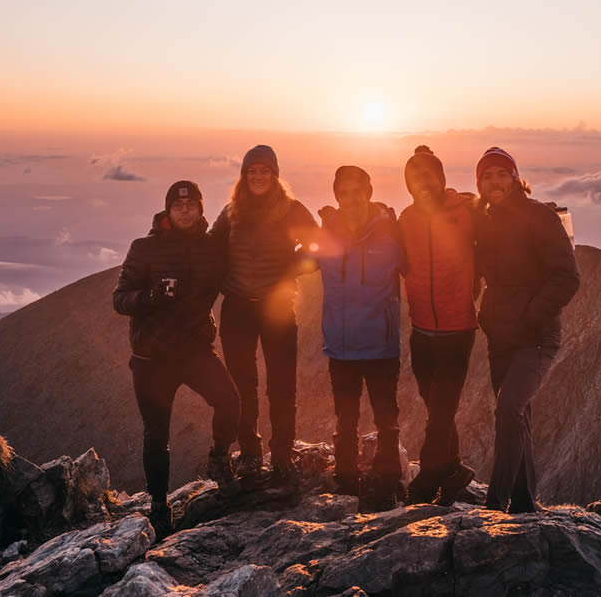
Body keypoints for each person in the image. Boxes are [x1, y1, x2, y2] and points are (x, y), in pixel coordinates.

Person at [112, 180, 241, 538]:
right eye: (178, 206)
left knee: (230, 401)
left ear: (201, 209)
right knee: (157, 434)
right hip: (152, 357)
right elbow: (120, 298)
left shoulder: (212, 247)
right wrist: (151, 296)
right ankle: (158, 505)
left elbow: (244, 253)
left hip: (194, 351)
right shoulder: (144, 248)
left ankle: (218, 459)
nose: (185, 211)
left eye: (192, 206)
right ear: (168, 210)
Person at [474, 147, 580, 513]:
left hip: (536, 337)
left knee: (509, 408)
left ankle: (494, 502)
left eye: (503, 174)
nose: (495, 182)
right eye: (487, 176)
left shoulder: (539, 217)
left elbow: (567, 277)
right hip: (500, 336)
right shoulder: (484, 220)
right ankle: (523, 505)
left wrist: (531, 317)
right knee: (516, 416)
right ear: (479, 183)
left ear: (517, 177)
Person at [211, 145, 319, 484]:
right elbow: (210, 249)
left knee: (282, 384)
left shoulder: (291, 210)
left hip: (278, 307)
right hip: (238, 309)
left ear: (275, 175)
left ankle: (283, 453)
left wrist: (293, 268)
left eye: (265, 171)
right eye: (252, 171)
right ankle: (251, 451)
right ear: (244, 176)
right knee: (243, 384)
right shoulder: (232, 212)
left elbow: (318, 245)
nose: (258, 176)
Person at [315, 166, 405, 511]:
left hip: (380, 344)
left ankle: (388, 480)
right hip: (341, 345)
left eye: (357, 191)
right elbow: (300, 259)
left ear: (368, 192)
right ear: (337, 196)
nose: (351, 199)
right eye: (343, 192)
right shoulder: (329, 233)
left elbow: (426, 257)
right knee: (346, 417)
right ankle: (347, 479)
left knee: (386, 416)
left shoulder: (390, 232)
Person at [398, 145, 481, 505]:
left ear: (441, 178)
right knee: (438, 410)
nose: (423, 183)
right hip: (421, 331)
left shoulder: (467, 210)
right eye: (415, 178)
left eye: (429, 176)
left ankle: (428, 478)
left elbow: (503, 223)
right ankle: (454, 470)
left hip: (456, 330)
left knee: (441, 412)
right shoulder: (406, 218)